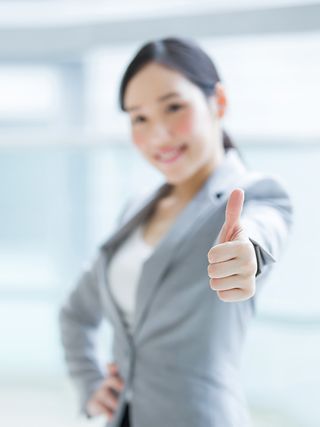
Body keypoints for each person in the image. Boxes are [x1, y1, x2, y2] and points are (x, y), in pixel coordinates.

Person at [59, 37, 293, 427]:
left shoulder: (254, 195)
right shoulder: (135, 210)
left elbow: (263, 227)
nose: (159, 135)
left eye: (173, 107)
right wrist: (91, 384)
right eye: (139, 118)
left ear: (217, 102)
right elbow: (75, 313)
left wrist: (247, 253)